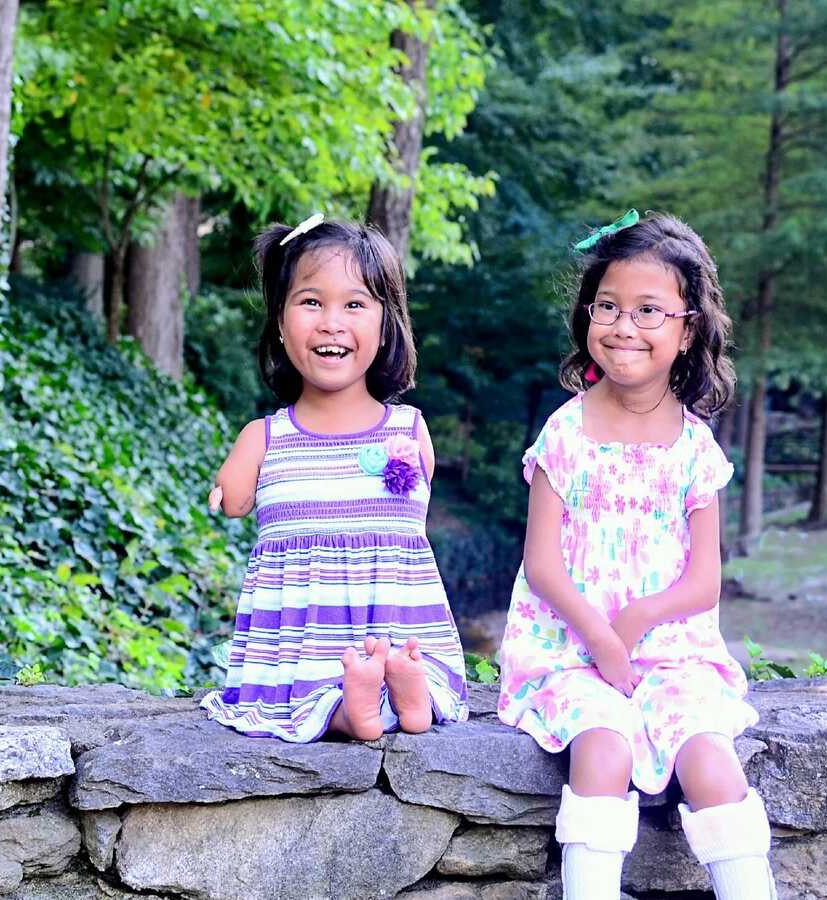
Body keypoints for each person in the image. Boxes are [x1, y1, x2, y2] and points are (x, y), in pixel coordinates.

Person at [497, 210, 777, 898]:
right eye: (609, 307)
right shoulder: (565, 433)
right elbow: (542, 565)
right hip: (569, 646)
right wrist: (599, 633)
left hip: (670, 650)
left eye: (649, 311)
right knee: (605, 747)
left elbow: (704, 580)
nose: (624, 326)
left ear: (687, 331)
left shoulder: (693, 447)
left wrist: (637, 621)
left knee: (710, 761)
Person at [201, 215, 470, 742]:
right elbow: (234, 500)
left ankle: (407, 689)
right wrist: (226, 483)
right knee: (323, 702)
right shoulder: (266, 437)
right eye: (310, 302)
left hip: (396, 626)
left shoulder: (409, 430)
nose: (331, 322)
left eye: (354, 304)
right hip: (303, 646)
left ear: (385, 322)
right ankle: (362, 705)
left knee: (397, 666)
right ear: (280, 322)